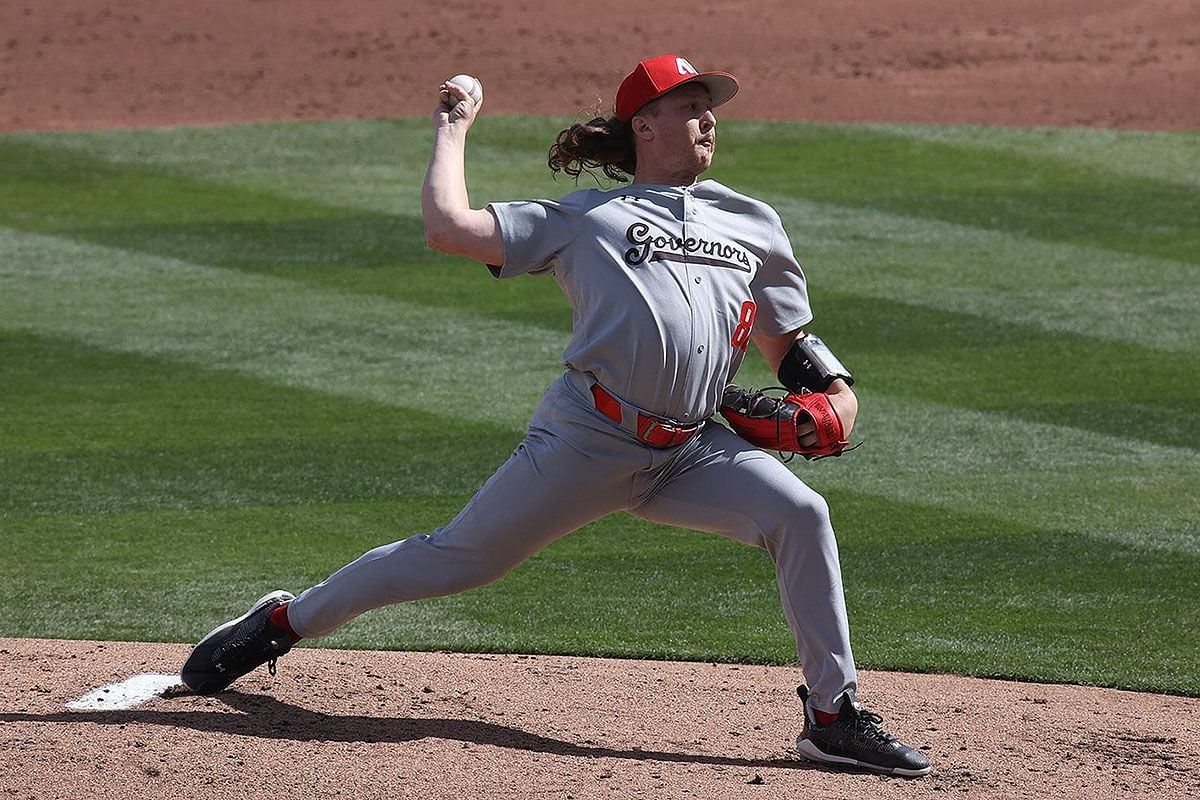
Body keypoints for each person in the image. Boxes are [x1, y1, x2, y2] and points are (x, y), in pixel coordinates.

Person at [181, 54, 931, 778]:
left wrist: (836, 392)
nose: (709, 120)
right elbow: (448, 227)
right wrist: (454, 126)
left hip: (692, 449)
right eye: (690, 106)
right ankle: (282, 623)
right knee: (458, 560)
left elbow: (786, 343)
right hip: (589, 438)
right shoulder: (587, 219)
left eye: (711, 108)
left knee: (800, 512)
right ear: (645, 124)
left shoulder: (752, 222)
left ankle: (832, 716)